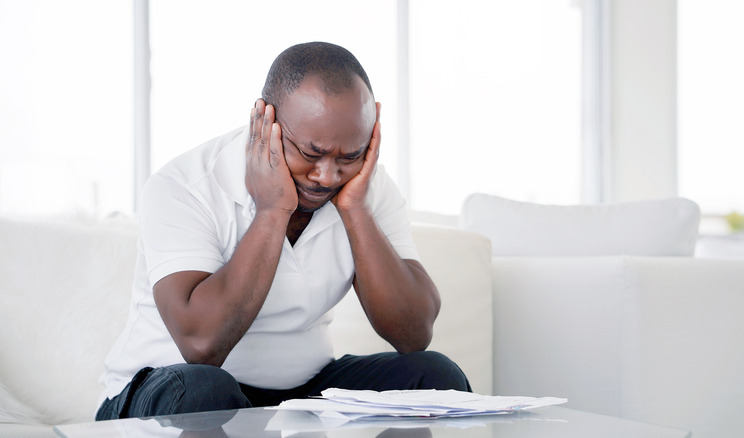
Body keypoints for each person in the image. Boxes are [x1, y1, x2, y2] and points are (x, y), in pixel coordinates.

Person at [96, 41, 470, 420]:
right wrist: (272, 210)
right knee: (206, 390)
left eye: (349, 156)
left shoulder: (367, 187)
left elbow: (413, 334)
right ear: (265, 120)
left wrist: (355, 209)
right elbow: (201, 345)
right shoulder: (184, 186)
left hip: (299, 393)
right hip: (166, 390)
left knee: (436, 377)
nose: (327, 176)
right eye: (309, 154)